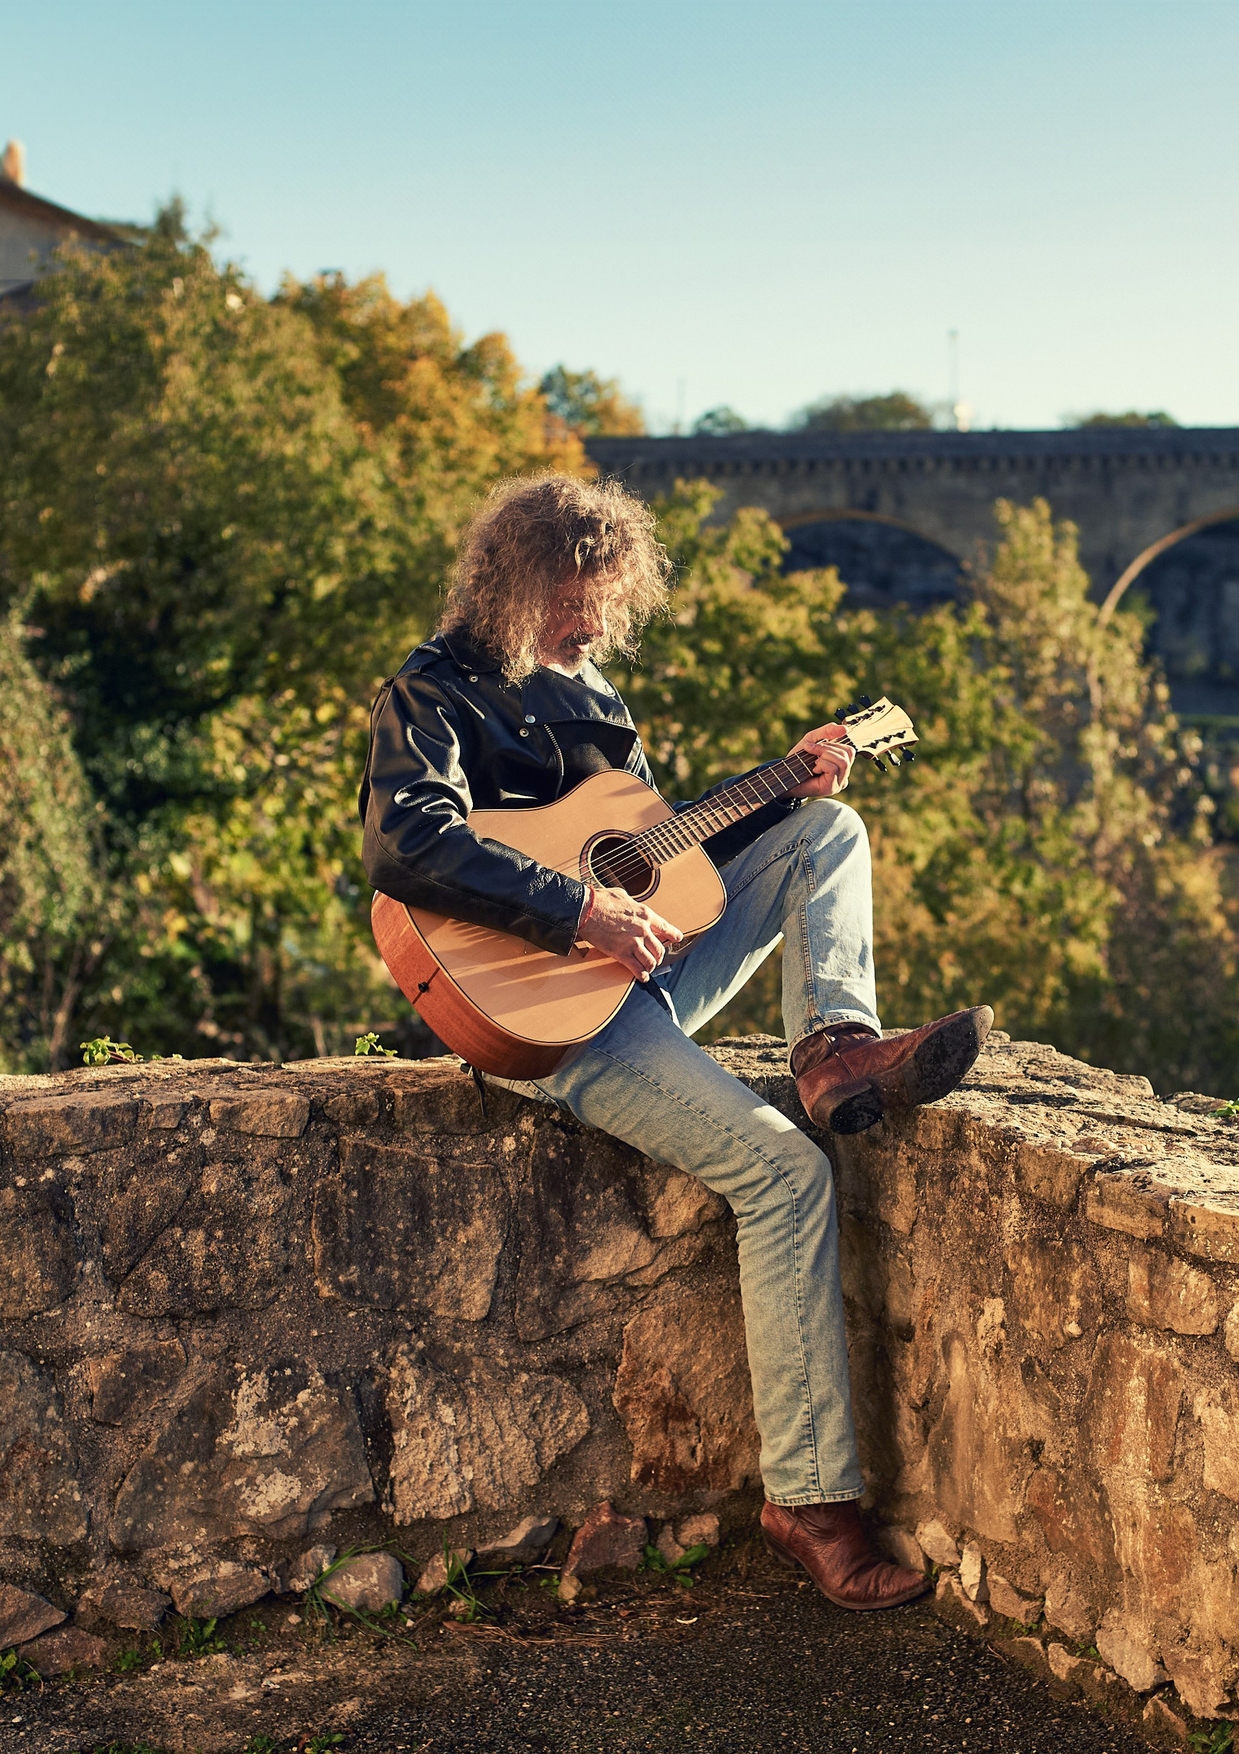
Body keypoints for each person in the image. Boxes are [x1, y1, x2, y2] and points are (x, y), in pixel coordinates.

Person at [359, 473, 991, 1612]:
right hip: (544, 1016)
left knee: (825, 832)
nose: (591, 623)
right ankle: (811, 1501)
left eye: (604, 599)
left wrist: (784, 782)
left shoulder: (593, 696)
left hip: (640, 976)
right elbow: (407, 842)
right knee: (788, 1172)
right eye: (571, 596)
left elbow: (662, 851)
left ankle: (835, 1046)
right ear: (508, 576)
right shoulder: (434, 688)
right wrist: (574, 910)